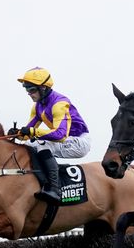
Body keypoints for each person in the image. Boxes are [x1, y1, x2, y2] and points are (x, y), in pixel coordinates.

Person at [8, 67, 91, 204]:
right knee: (29, 144)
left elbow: (60, 134)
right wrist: (18, 134)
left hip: (79, 141)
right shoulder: (37, 106)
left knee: (42, 144)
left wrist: (32, 133)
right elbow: (30, 131)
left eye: (32, 89)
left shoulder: (59, 103)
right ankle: (39, 181)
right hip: (65, 140)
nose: (29, 93)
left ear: (44, 88)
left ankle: (54, 190)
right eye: (26, 89)